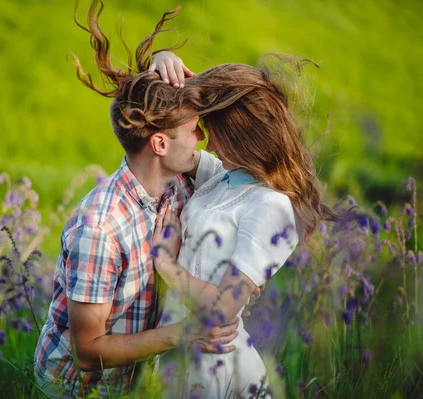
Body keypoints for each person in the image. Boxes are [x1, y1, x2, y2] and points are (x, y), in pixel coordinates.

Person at [33, 2, 262, 397]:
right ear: (159, 143)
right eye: (194, 130)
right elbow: (87, 352)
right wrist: (187, 333)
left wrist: (163, 63)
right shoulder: (99, 230)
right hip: (78, 389)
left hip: (131, 384)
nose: (203, 139)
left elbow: (249, 174)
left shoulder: (180, 184)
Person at [149, 53, 337, 398]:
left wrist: (165, 264)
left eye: (215, 130)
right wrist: (164, 66)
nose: (206, 139)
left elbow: (222, 308)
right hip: (182, 353)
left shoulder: (272, 207)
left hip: (216, 364)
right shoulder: (224, 176)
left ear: (240, 136)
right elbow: (164, 143)